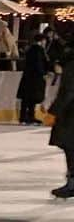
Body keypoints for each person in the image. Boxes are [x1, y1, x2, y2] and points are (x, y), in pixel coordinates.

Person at [47, 46, 74, 198]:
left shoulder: (71, 66)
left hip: (70, 115)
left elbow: (68, 92)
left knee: (70, 147)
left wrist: (53, 112)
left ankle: (72, 184)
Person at [18, 32, 49, 125]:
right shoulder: (38, 50)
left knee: (27, 98)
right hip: (35, 78)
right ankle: (28, 116)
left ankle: (25, 116)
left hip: (28, 77)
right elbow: (39, 63)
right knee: (31, 98)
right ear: (42, 41)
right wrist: (43, 73)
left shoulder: (30, 49)